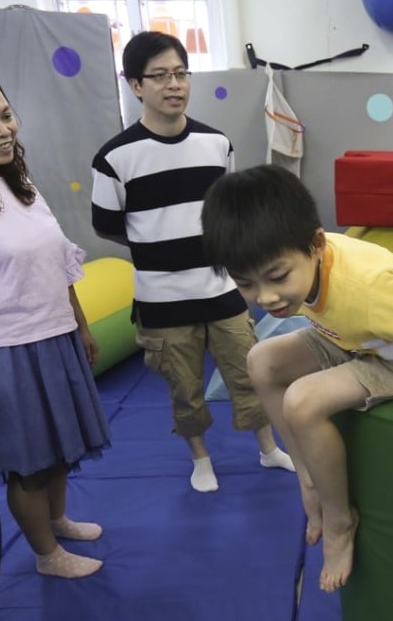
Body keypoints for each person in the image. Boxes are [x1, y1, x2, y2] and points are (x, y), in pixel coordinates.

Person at [200, 164, 393, 593]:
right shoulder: (303, 263)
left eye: (277, 278)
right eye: (245, 283)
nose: (265, 298)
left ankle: (341, 522)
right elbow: (305, 310)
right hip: (357, 339)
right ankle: (309, 480)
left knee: (302, 402)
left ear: (316, 245)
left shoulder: (368, 289)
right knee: (261, 361)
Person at [91, 32, 292, 493]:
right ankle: (200, 458)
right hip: (161, 299)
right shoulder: (114, 158)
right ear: (135, 85)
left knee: (252, 371)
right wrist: (159, 242)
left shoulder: (216, 144)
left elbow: (229, 213)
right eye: (159, 76)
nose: (174, 85)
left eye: (181, 73)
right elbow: (107, 225)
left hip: (221, 289)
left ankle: (268, 448)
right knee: (183, 386)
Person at [0, 62, 111, 578]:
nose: (4, 130)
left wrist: (79, 325)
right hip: (3, 353)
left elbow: (58, 263)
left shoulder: (18, 185)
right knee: (31, 463)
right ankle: (46, 554)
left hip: (53, 336)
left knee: (62, 447)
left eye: (7, 115)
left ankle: (56, 519)